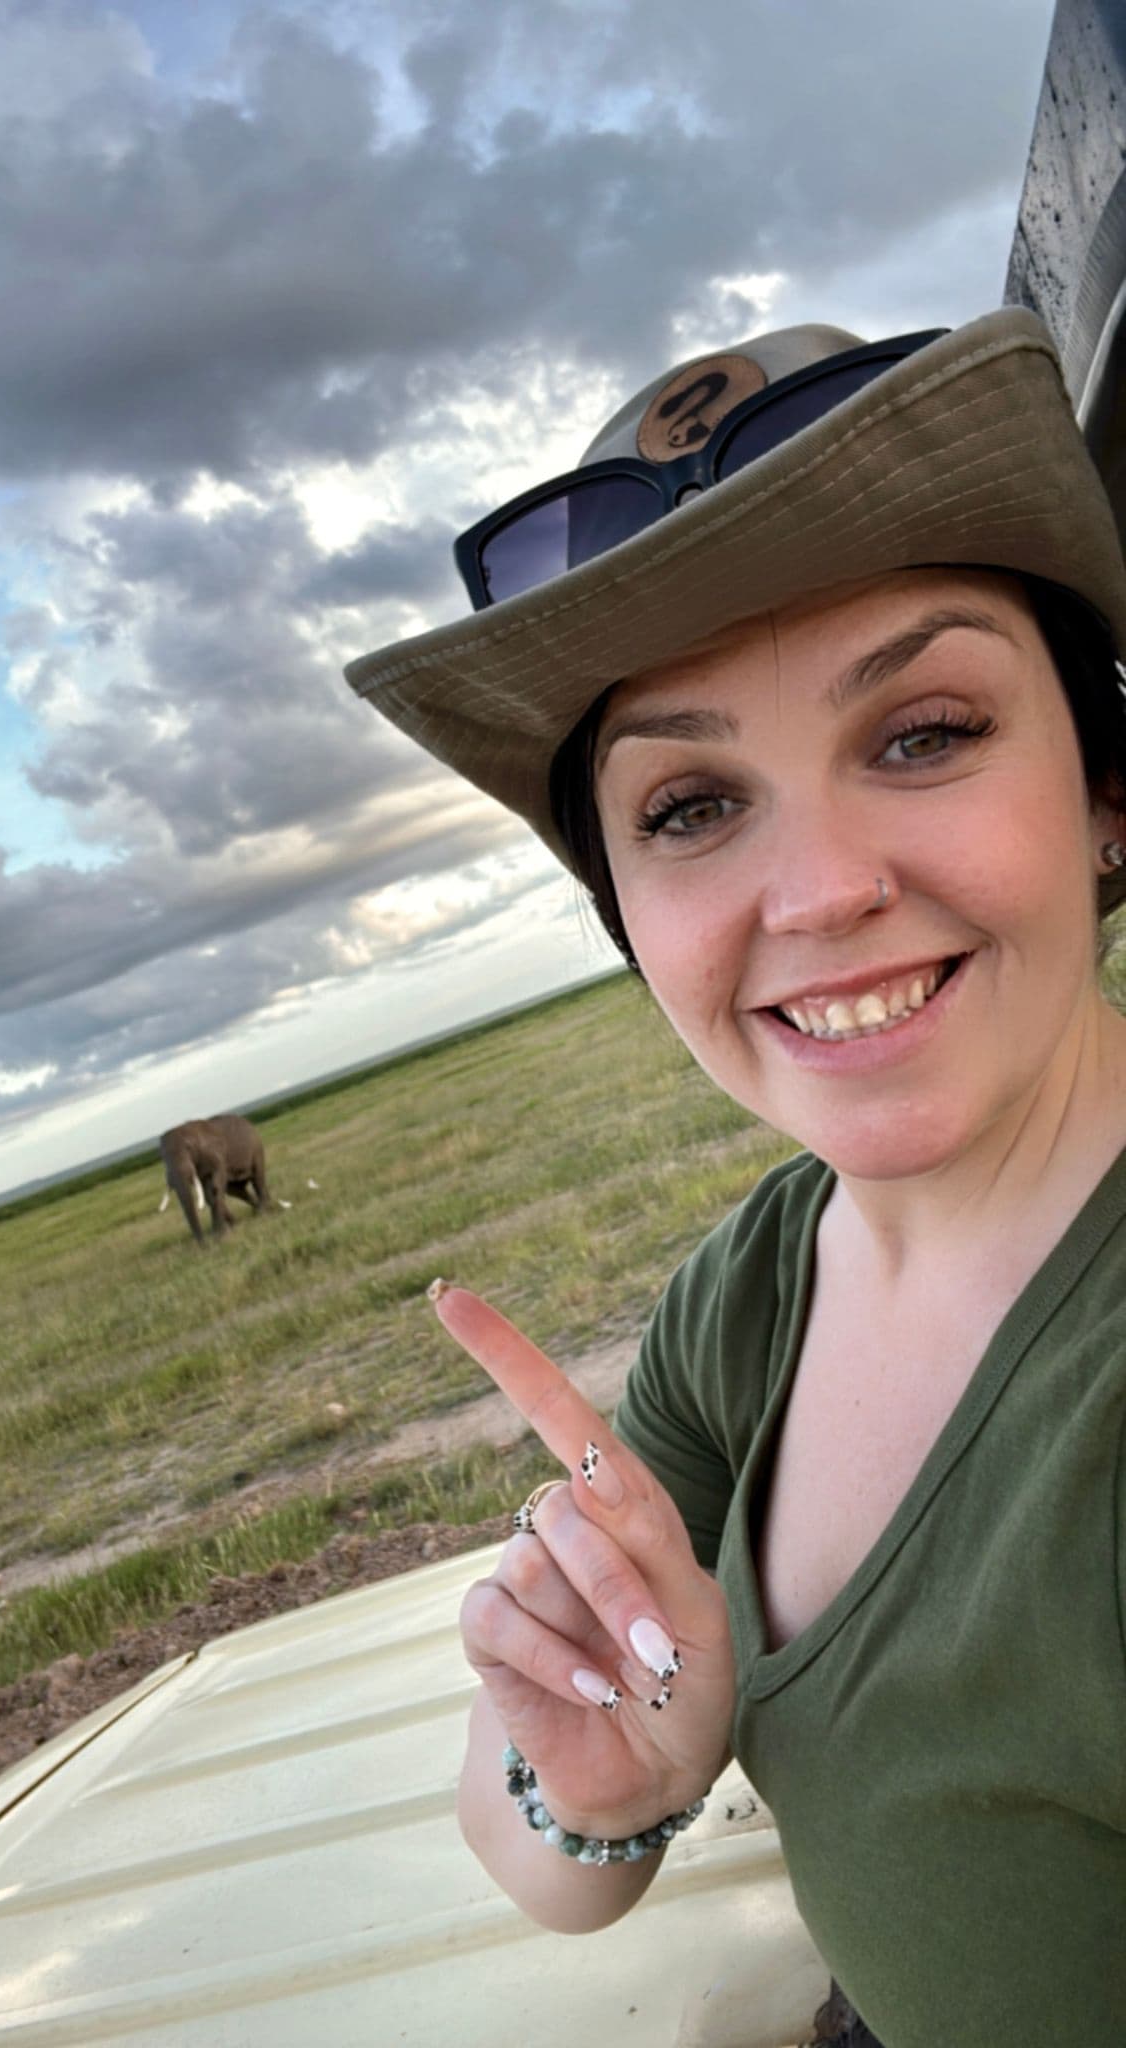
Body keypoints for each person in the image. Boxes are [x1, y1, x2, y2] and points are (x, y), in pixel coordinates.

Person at [344, 311, 1126, 2047]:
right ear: (632, 925)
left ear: (1107, 791)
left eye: (923, 731)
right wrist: (608, 1780)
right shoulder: (754, 1291)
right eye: (693, 806)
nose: (821, 890)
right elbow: (544, 1845)